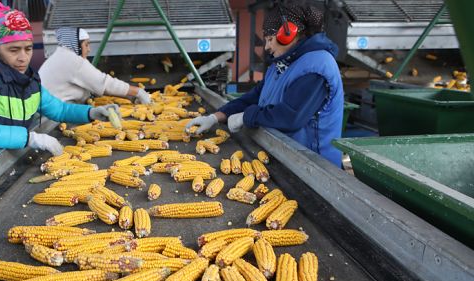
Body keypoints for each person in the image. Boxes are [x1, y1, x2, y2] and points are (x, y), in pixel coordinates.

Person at [0, 0, 119, 171]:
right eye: (13, 50)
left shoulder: (28, 81)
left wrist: (91, 113)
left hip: (2, 165)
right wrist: (31, 139)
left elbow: (59, 110)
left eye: (28, 49)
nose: (23, 58)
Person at [186, 3, 344, 167]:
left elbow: (290, 117)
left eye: (270, 39)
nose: (267, 46)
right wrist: (215, 117)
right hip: (286, 157)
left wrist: (246, 116)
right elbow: (255, 97)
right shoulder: (281, 64)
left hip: (314, 166)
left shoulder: (317, 66)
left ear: (288, 34)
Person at [39, 27, 152, 105]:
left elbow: (92, 85)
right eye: (86, 45)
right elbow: (104, 83)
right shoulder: (71, 60)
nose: (89, 49)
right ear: (76, 45)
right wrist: (138, 92)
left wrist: (128, 96)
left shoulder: (62, 56)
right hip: (50, 119)